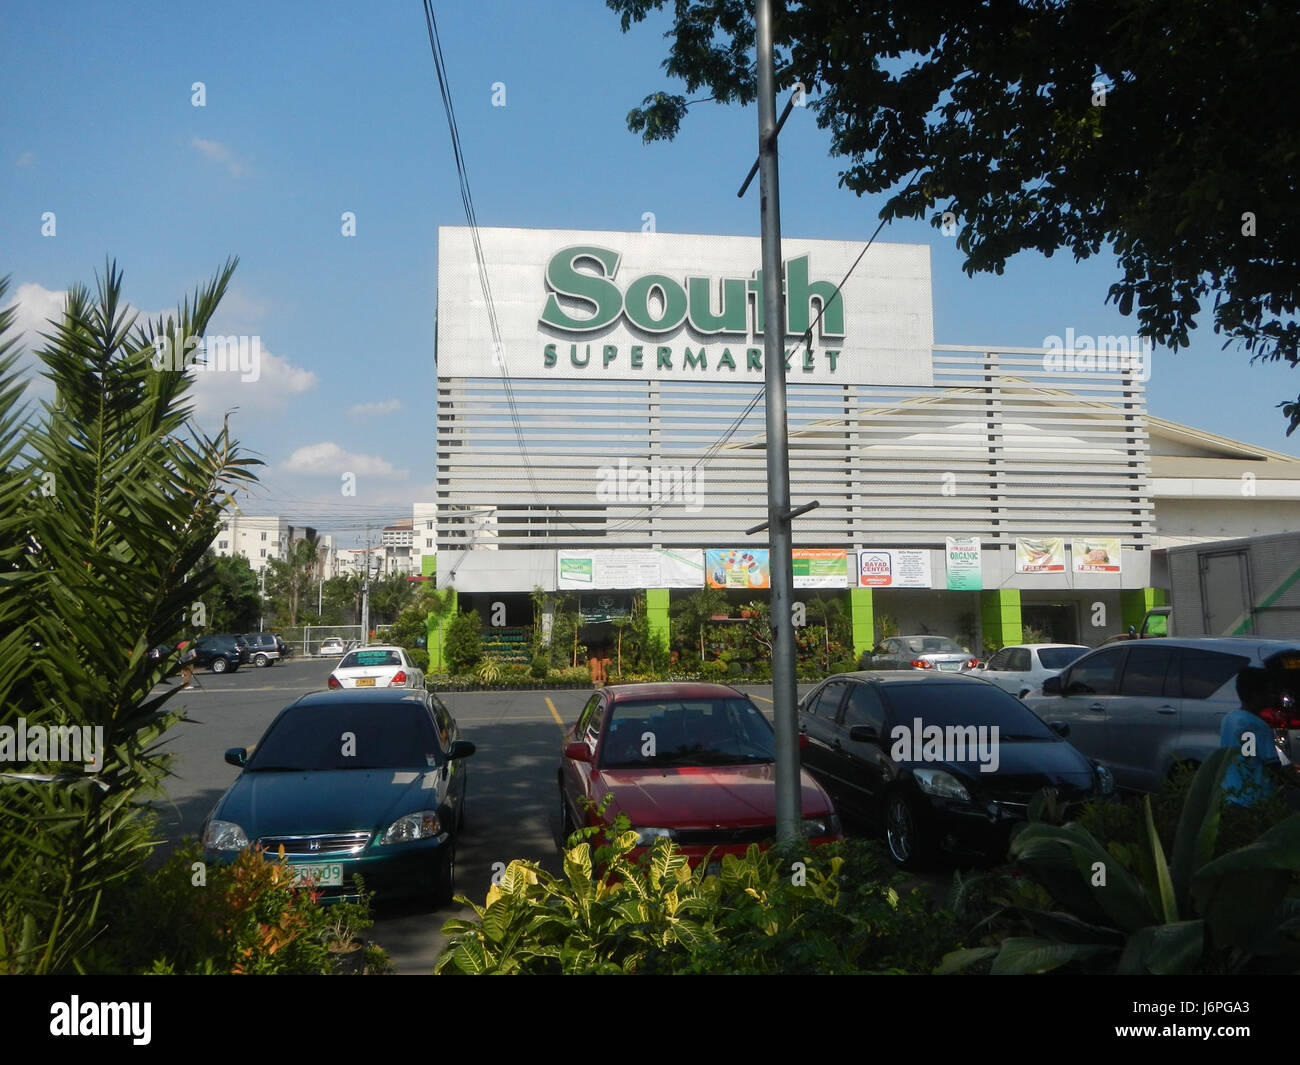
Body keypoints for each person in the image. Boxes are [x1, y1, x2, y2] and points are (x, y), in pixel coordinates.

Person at [1220, 667, 1282, 807]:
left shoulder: (1229, 719)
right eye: (1269, 692)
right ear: (1255, 695)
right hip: (1254, 799)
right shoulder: (1259, 727)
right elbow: (1273, 764)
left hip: (1232, 795)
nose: (1273, 697)